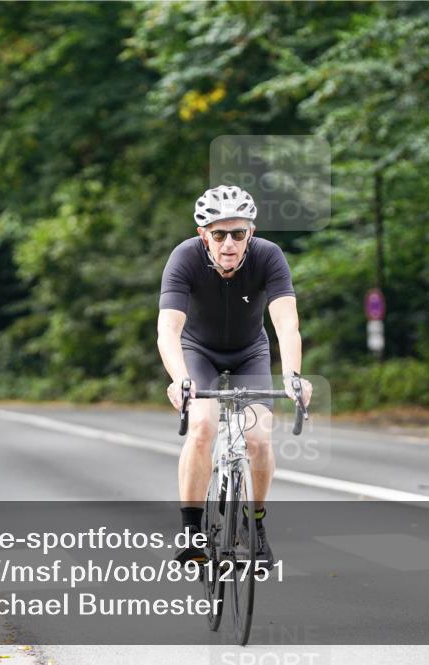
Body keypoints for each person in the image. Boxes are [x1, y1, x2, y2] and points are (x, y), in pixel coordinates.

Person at [158, 185, 313, 568]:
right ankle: (191, 530)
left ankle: (255, 525)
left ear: (251, 234)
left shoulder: (268, 257)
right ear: (203, 235)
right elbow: (168, 330)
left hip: (249, 352)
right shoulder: (184, 258)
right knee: (203, 427)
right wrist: (180, 378)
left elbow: (286, 323)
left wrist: (293, 376)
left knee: (259, 438)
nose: (229, 243)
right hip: (200, 352)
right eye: (219, 233)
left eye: (238, 233)